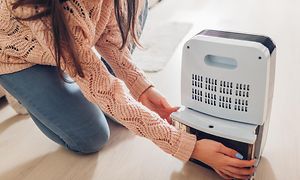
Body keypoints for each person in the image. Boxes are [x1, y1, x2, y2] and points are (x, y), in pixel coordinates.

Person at [0, 0, 255, 179]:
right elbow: (105, 90)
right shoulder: (35, 5)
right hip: (16, 56)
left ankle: (70, 69)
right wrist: (188, 147)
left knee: (112, 97)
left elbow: (108, 38)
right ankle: (25, 90)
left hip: (67, 45)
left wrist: (141, 88)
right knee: (91, 138)